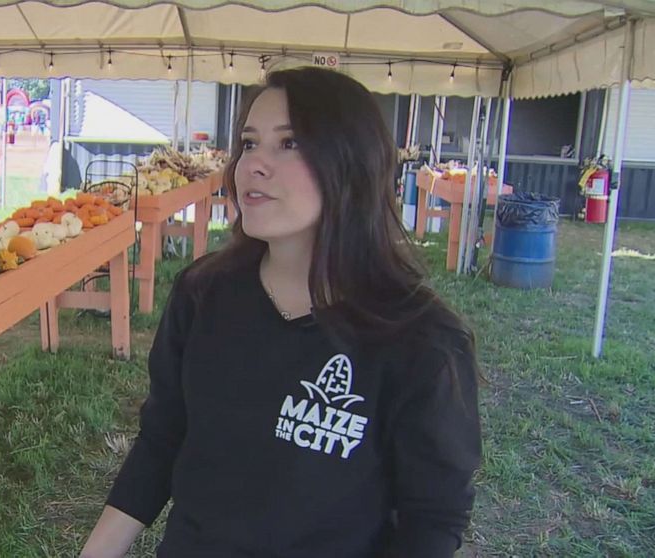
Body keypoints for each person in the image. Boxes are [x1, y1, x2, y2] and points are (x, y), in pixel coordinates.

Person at [81, 66, 482, 558]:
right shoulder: (202, 294)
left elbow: (431, 520)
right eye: (249, 143)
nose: (253, 165)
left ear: (353, 163)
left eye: (289, 144)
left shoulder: (421, 340)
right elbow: (162, 441)